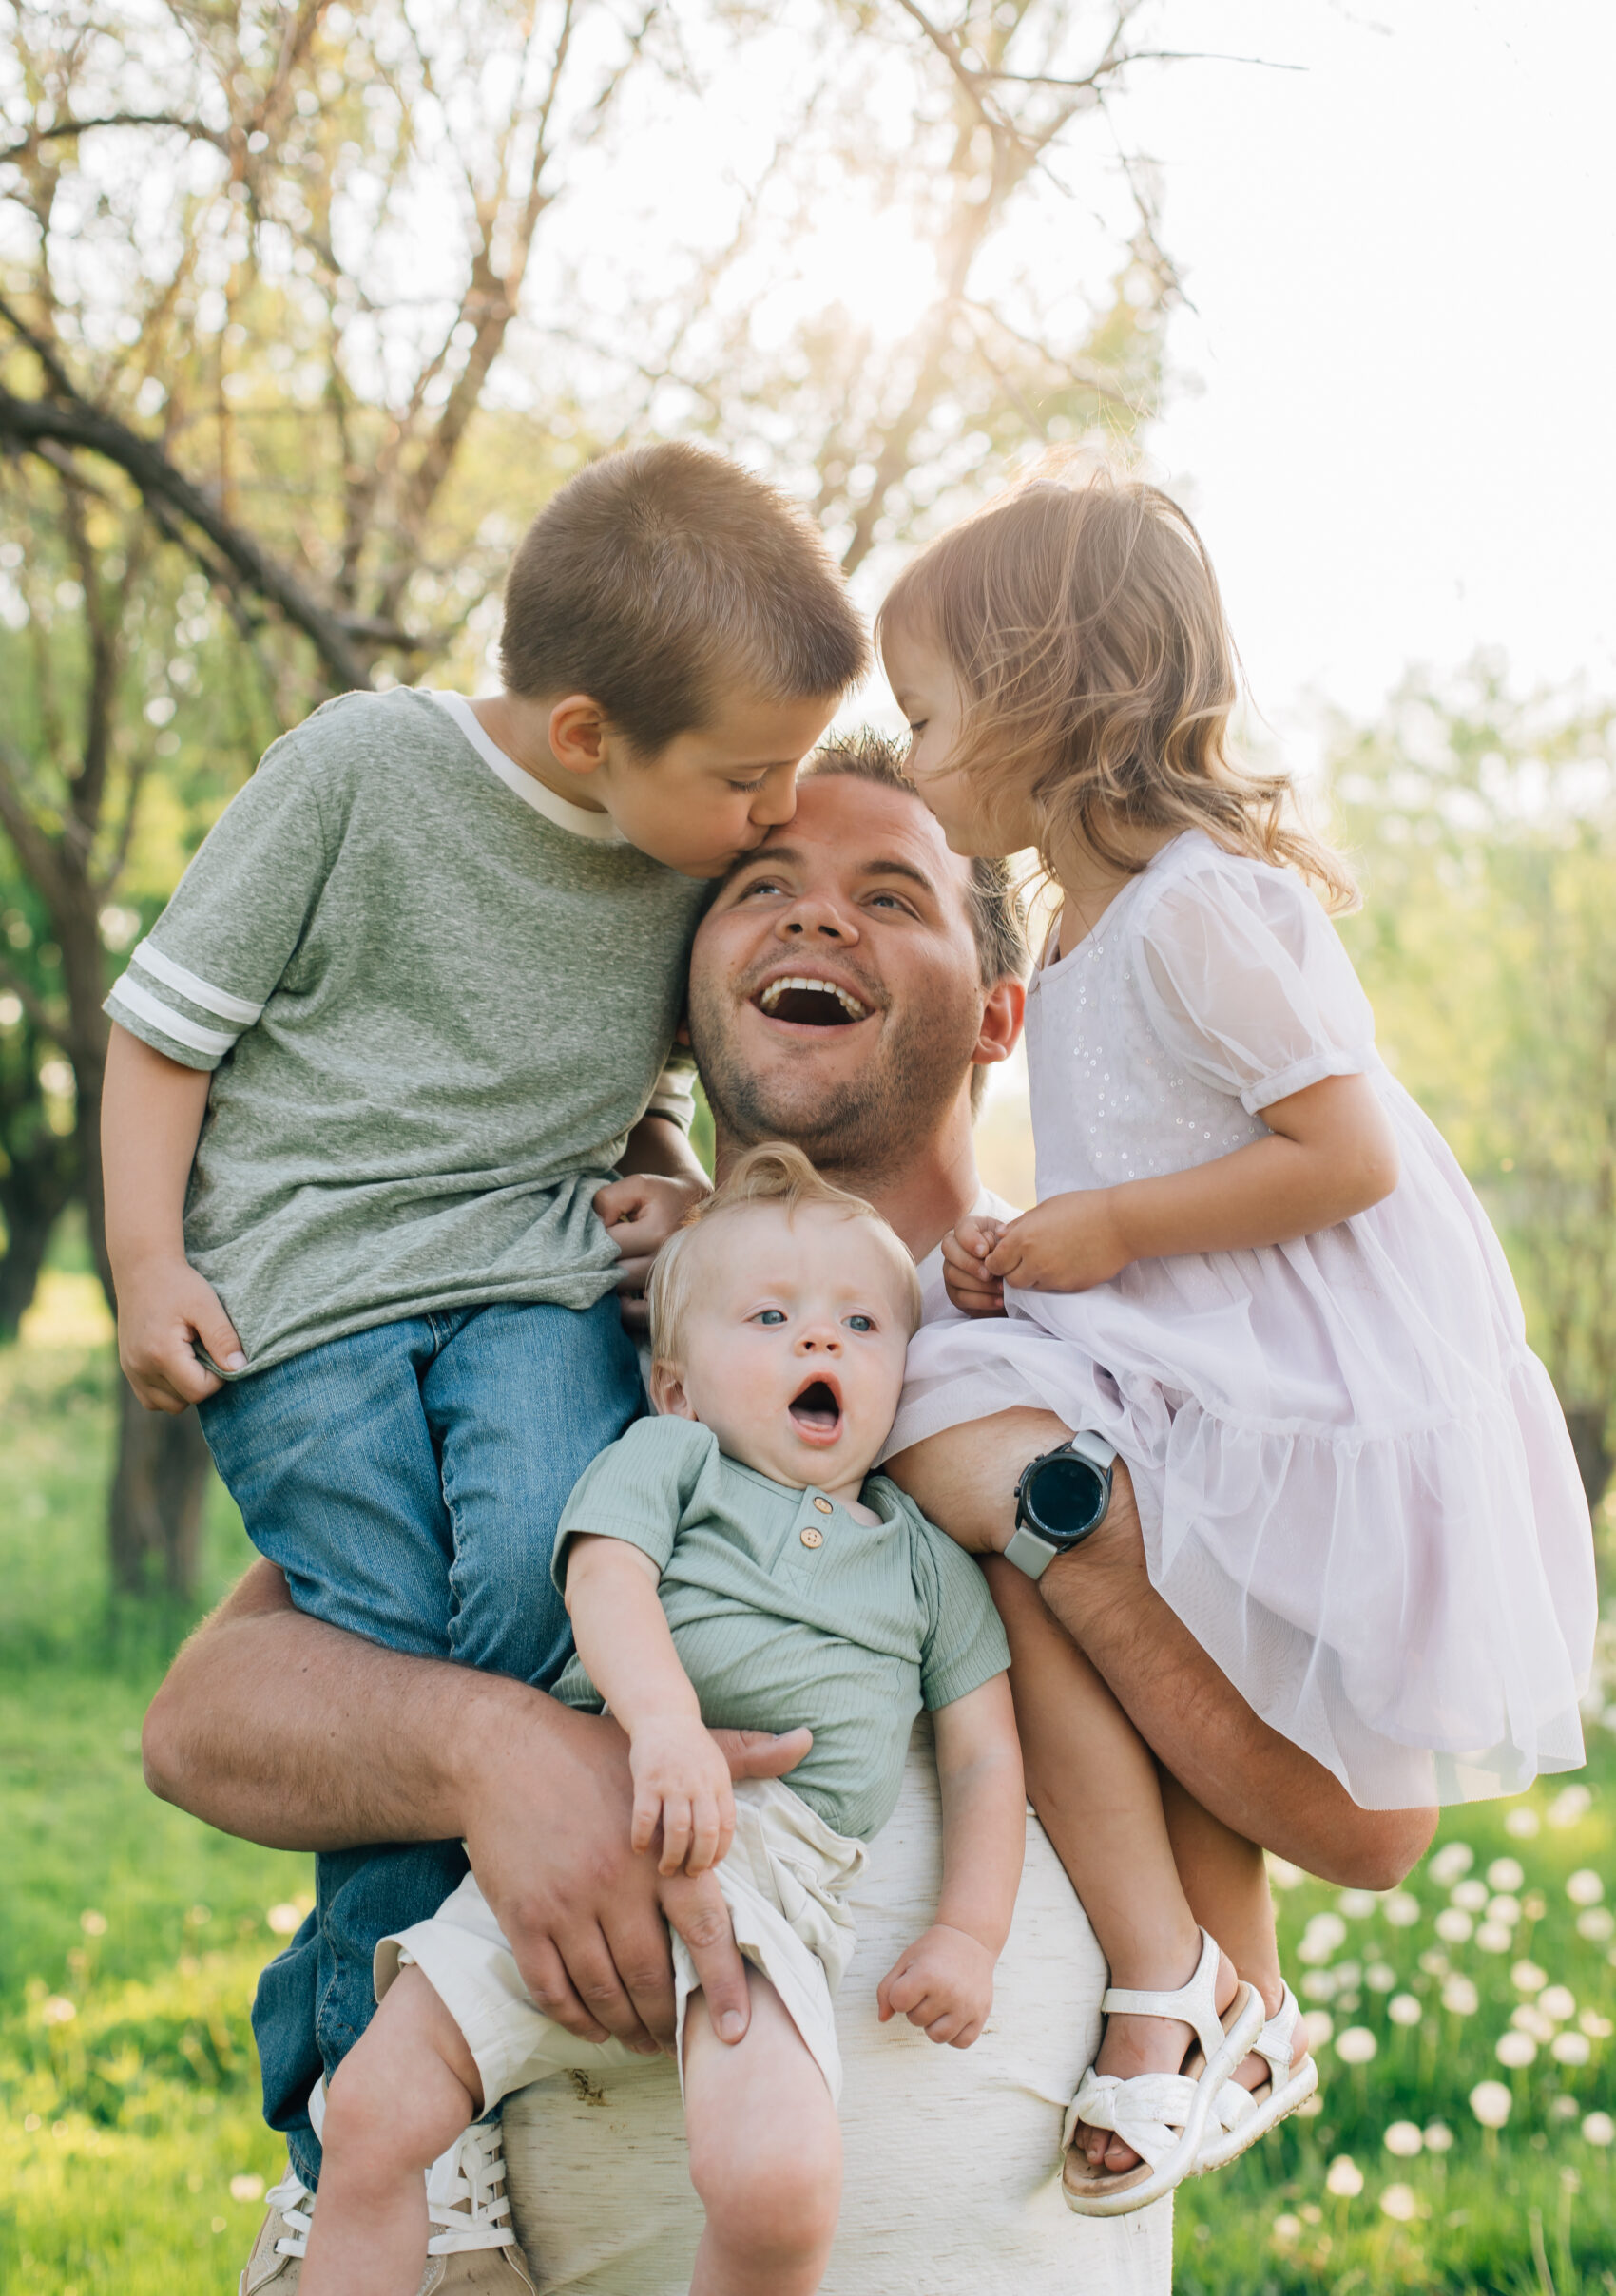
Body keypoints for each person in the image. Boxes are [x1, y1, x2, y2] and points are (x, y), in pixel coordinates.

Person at [142, 740, 1430, 2294]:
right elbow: (203, 1721)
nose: (814, 921)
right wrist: (498, 1751)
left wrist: (1012, 1484)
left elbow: (1368, 1824)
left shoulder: (1117, 1359)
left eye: (889, 895)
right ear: (687, 1001)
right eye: (760, 888)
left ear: (1001, 1013)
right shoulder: (575, 1346)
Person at [101, 442, 865, 2202]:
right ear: (591, 735)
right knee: (384, 1642)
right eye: (755, 776)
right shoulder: (364, 772)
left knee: (541, 1573)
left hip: (529, 1273)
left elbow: (651, 1105)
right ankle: (360, 2092)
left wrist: (678, 1186)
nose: (778, 811)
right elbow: (167, 1028)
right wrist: (151, 1265)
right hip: (304, 1294)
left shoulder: (687, 844)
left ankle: (446, 2027)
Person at [876, 461, 1597, 2213]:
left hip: (1299, 1376)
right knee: (977, 1432)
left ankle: (1196, 1983)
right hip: (1188, 1350)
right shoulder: (1078, 919)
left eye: (926, 712)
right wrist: (1027, 1247)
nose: (907, 753)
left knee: (981, 1450)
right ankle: (1214, 1989)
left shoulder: (1204, 899)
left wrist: (1102, 1234)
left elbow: (1339, 1155)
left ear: (1047, 692)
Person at [300, 1146, 1024, 2296]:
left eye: (859, 1324)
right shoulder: (674, 1460)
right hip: (599, 1807)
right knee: (373, 2114)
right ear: (679, 1386)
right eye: (772, 1315)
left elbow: (987, 1757)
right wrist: (662, 1722)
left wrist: (969, 1934)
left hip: (773, 1878)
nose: (819, 1341)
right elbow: (605, 1578)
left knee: (780, 2185)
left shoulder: (924, 1560)